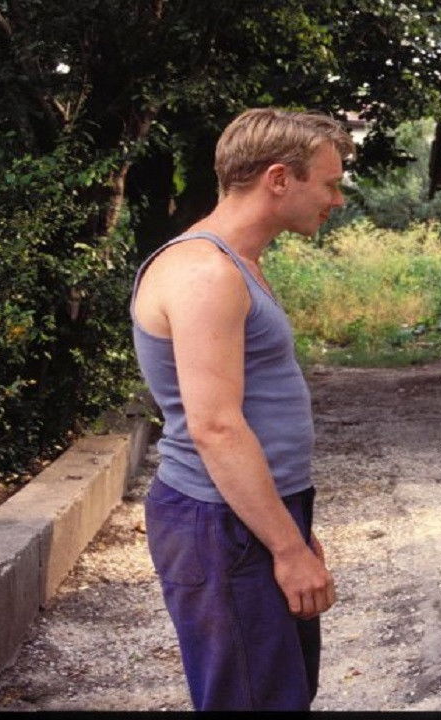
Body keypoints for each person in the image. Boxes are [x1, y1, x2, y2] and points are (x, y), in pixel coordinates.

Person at [131, 108, 353, 710]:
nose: (337, 199)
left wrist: (292, 529)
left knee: (282, 692)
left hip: (251, 511)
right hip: (218, 519)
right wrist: (287, 548)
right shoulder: (205, 272)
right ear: (279, 179)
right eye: (330, 183)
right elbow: (216, 427)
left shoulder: (238, 264)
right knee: (253, 700)